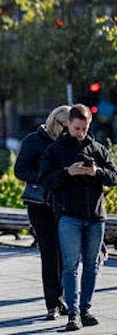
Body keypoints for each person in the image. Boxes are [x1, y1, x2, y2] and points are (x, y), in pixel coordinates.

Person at [39, 104, 117, 331]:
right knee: (71, 265)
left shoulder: (98, 149)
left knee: (92, 265)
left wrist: (97, 173)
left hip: (95, 216)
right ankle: (72, 312)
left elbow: (113, 177)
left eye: (85, 128)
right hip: (68, 216)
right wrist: (67, 172)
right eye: (76, 128)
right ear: (68, 125)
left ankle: (86, 309)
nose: (81, 133)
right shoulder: (55, 150)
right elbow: (45, 181)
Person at [15, 105, 71, 320]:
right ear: (53, 121)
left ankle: (64, 297)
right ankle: (53, 304)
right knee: (50, 255)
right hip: (42, 206)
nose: (65, 132)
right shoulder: (34, 140)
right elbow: (20, 170)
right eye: (63, 127)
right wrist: (45, 175)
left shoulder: (70, 142)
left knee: (67, 255)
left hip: (66, 204)